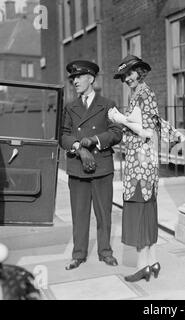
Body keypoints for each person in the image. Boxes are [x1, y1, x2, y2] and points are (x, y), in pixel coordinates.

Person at [109, 54, 185, 282]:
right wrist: (174, 134)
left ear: (140, 71)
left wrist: (118, 118)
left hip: (139, 163)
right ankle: (152, 261)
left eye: (130, 73)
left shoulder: (143, 93)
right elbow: (155, 122)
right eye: (124, 76)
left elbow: (146, 128)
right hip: (145, 162)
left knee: (139, 211)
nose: (127, 79)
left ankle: (143, 266)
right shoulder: (142, 93)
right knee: (148, 210)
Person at [60, 60, 123, 270]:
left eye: (78, 77)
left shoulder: (107, 104)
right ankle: (78, 254)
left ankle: (105, 252)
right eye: (73, 78)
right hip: (78, 168)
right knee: (79, 214)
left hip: (102, 167)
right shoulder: (70, 107)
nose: (75, 81)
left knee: (104, 213)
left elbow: (116, 133)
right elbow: (63, 136)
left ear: (91, 79)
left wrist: (93, 140)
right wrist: (79, 146)